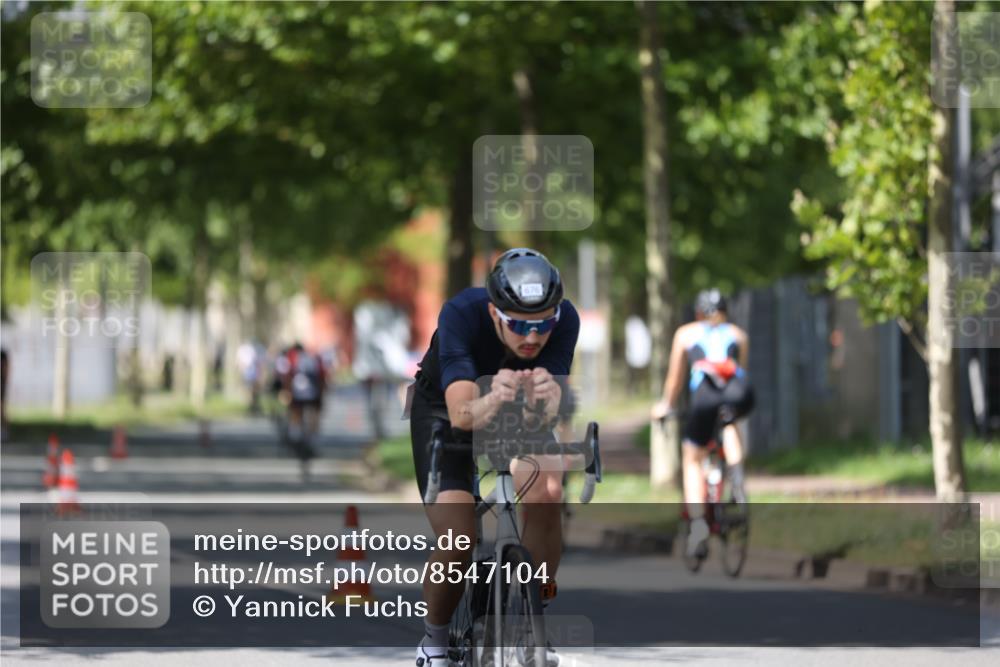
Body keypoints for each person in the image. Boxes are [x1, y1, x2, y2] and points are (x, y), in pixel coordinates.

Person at [410, 248, 579, 667]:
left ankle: (534, 616)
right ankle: (434, 642)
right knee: (458, 540)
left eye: (544, 325)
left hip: (515, 407)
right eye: (519, 325)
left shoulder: (566, 320)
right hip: (447, 411)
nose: (533, 338)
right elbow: (461, 413)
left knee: (548, 489)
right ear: (493, 312)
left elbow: (553, 404)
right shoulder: (460, 316)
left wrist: (546, 398)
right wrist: (493, 396)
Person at [651, 288, 754, 558]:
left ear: (698, 313)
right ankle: (737, 477)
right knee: (730, 422)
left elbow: (675, 379)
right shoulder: (739, 335)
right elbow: (740, 372)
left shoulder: (686, 334)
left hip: (705, 397)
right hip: (739, 393)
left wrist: (666, 405)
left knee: (692, 457)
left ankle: (698, 525)